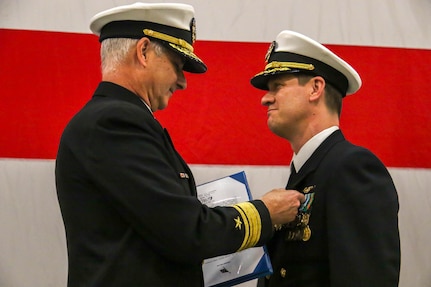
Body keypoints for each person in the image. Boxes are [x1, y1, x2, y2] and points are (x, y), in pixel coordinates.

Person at [55, 3, 305, 287]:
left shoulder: (117, 120)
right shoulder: (115, 122)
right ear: (144, 51)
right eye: (177, 65)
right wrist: (264, 212)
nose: (183, 82)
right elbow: (186, 232)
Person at [251, 30, 400, 287]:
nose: (265, 98)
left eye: (278, 86)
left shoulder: (352, 168)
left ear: (315, 88)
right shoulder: (309, 171)